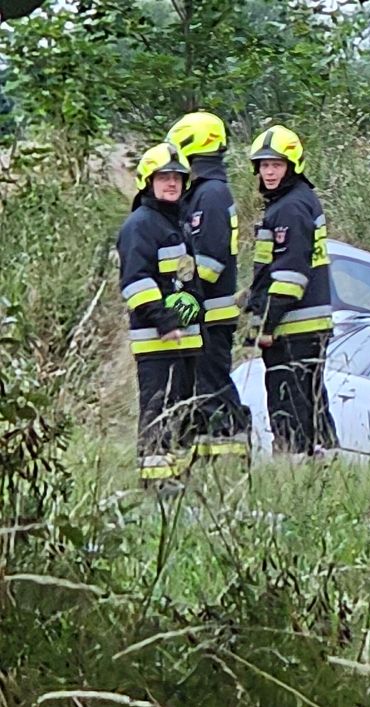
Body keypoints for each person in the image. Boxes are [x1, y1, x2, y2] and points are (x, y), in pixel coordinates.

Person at [244, 124, 338, 456]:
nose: (269, 172)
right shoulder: (294, 202)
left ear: (292, 166)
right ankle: (325, 460)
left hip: (295, 328)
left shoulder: (290, 208)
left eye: (276, 165)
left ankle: (298, 464)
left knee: (291, 402)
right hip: (305, 325)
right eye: (264, 165)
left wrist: (266, 326)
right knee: (311, 401)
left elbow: (288, 277)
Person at [166, 111, 251, 464]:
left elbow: (211, 263)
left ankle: (232, 452)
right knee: (201, 388)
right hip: (201, 312)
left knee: (214, 384)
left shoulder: (212, 195)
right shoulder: (202, 192)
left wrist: (177, 293)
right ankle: (206, 456)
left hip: (210, 312)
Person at [116, 142, 203, 487]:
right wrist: (166, 322)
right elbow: (136, 283)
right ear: (147, 182)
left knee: (181, 416)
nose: (172, 183)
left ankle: (176, 481)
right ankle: (155, 485)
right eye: (164, 177)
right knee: (159, 412)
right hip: (157, 343)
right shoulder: (140, 225)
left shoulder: (175, 223)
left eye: (177, 178)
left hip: (185, 342)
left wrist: (190, 319)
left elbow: (185, 283)